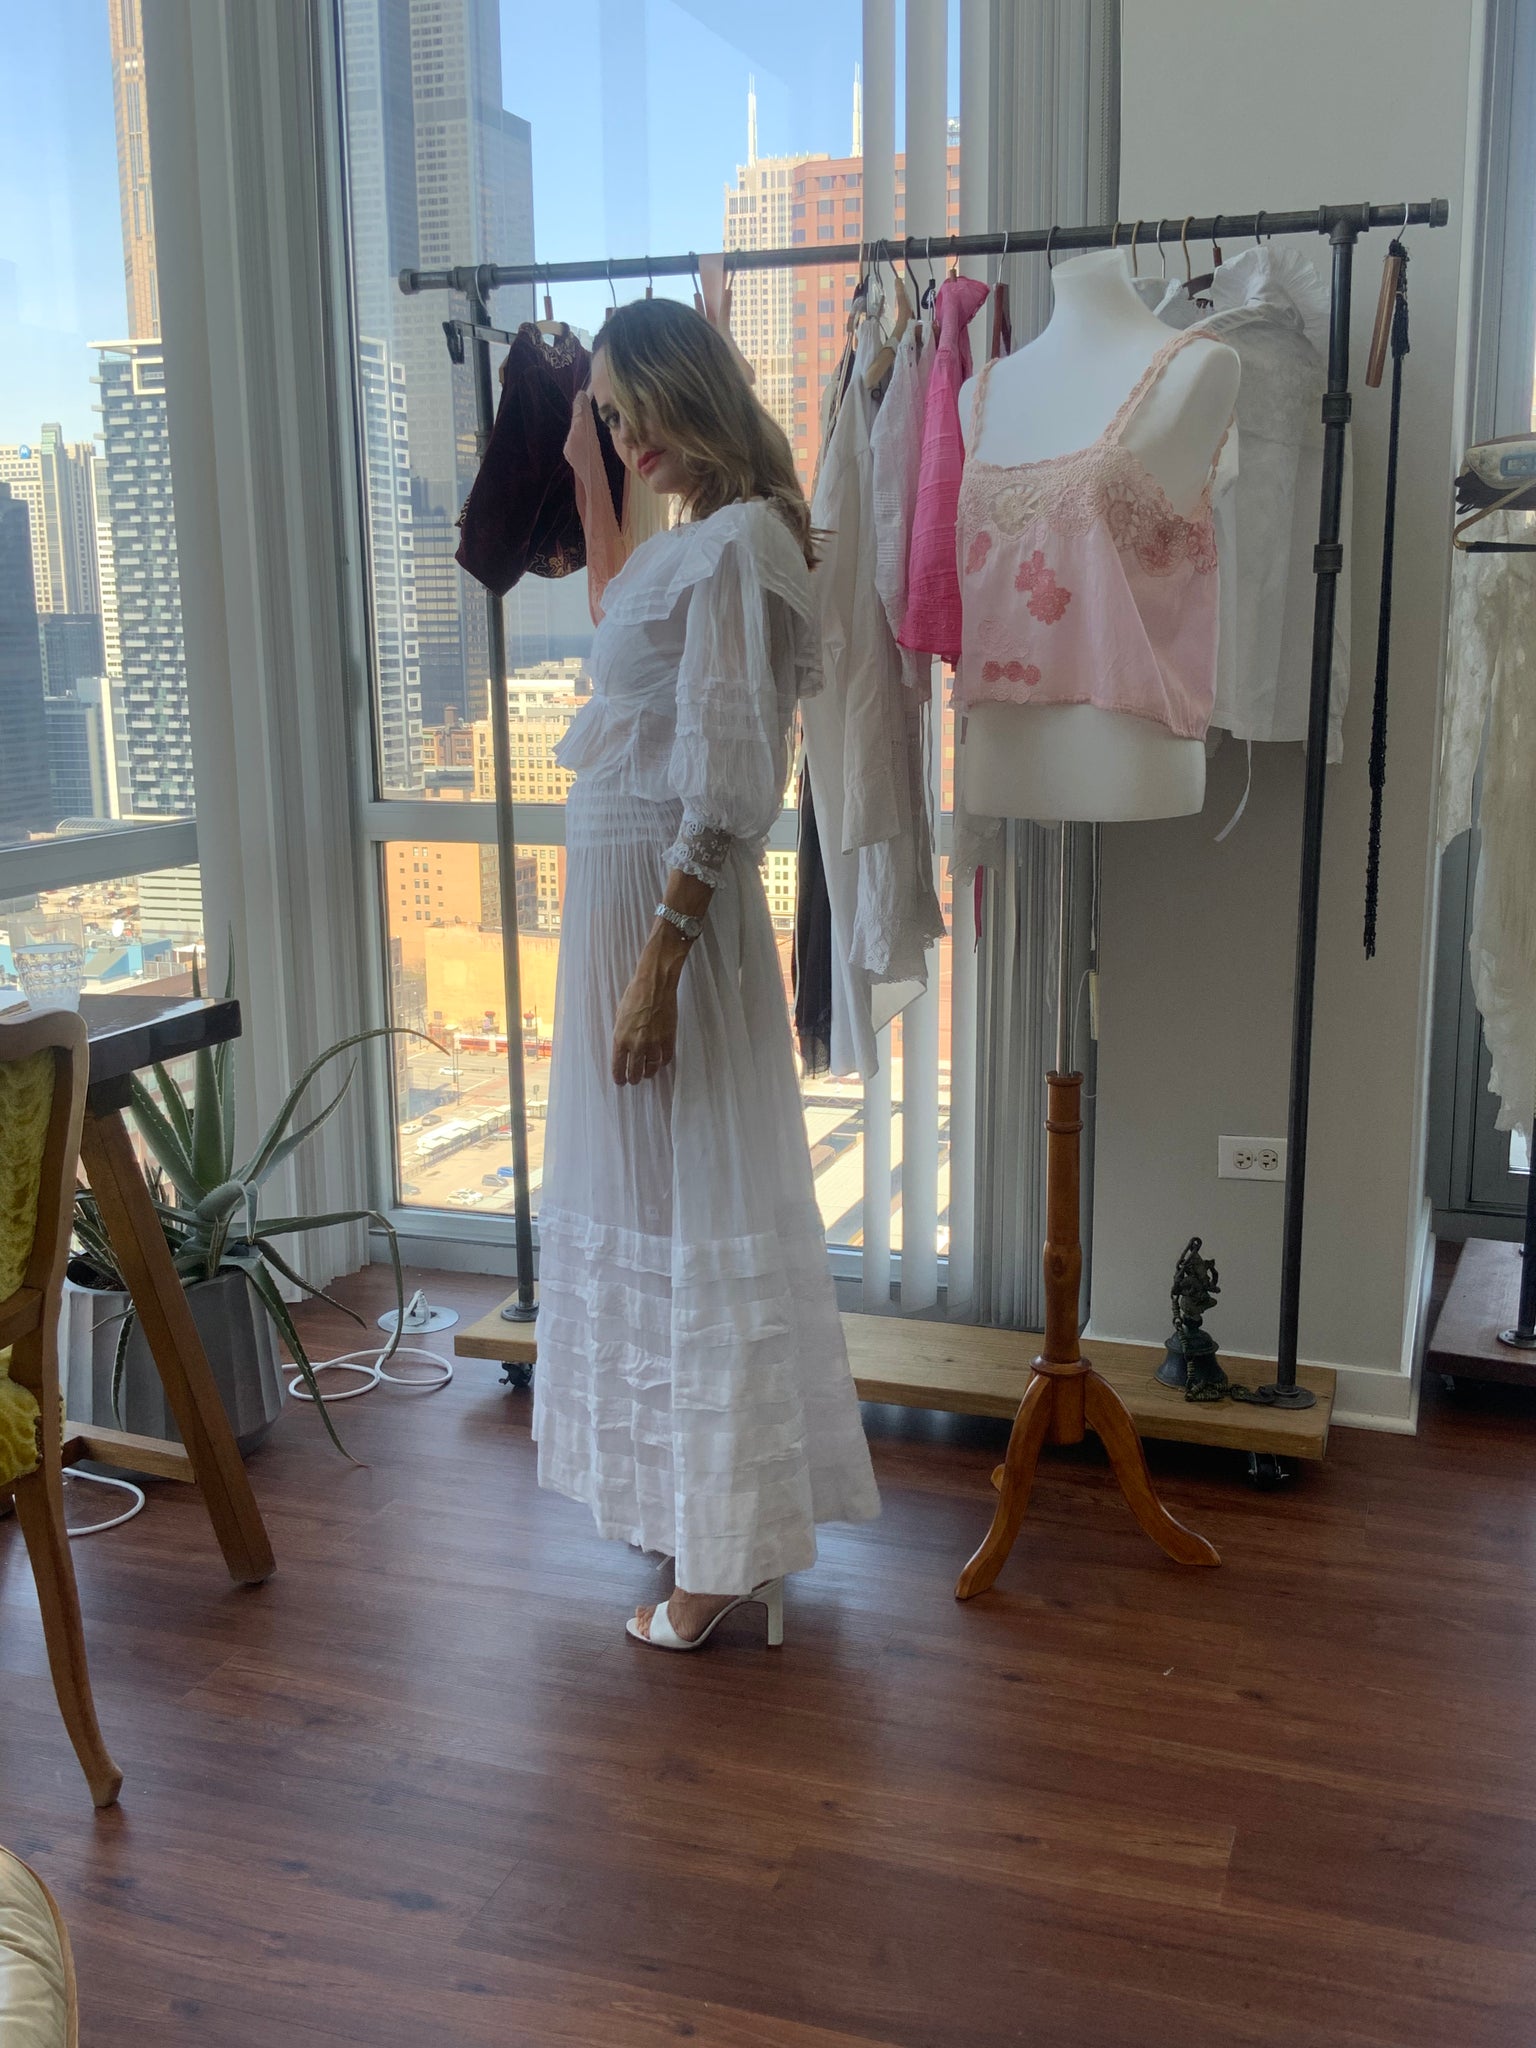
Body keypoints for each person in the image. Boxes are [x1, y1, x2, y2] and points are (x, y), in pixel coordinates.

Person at [532, 297, 880, 1650]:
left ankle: (722, 1557)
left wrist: (655, 971)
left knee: (694, 1208)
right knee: (662, 1212)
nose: (628, 439)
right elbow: (647, 668)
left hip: (664, 927)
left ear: (691, 386)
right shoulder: (710, 537)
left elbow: (734, 780)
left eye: (636, 412)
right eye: (613, 420)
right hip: (634, 917)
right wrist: (588, 475)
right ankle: (702, 1513)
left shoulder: (739, 543)